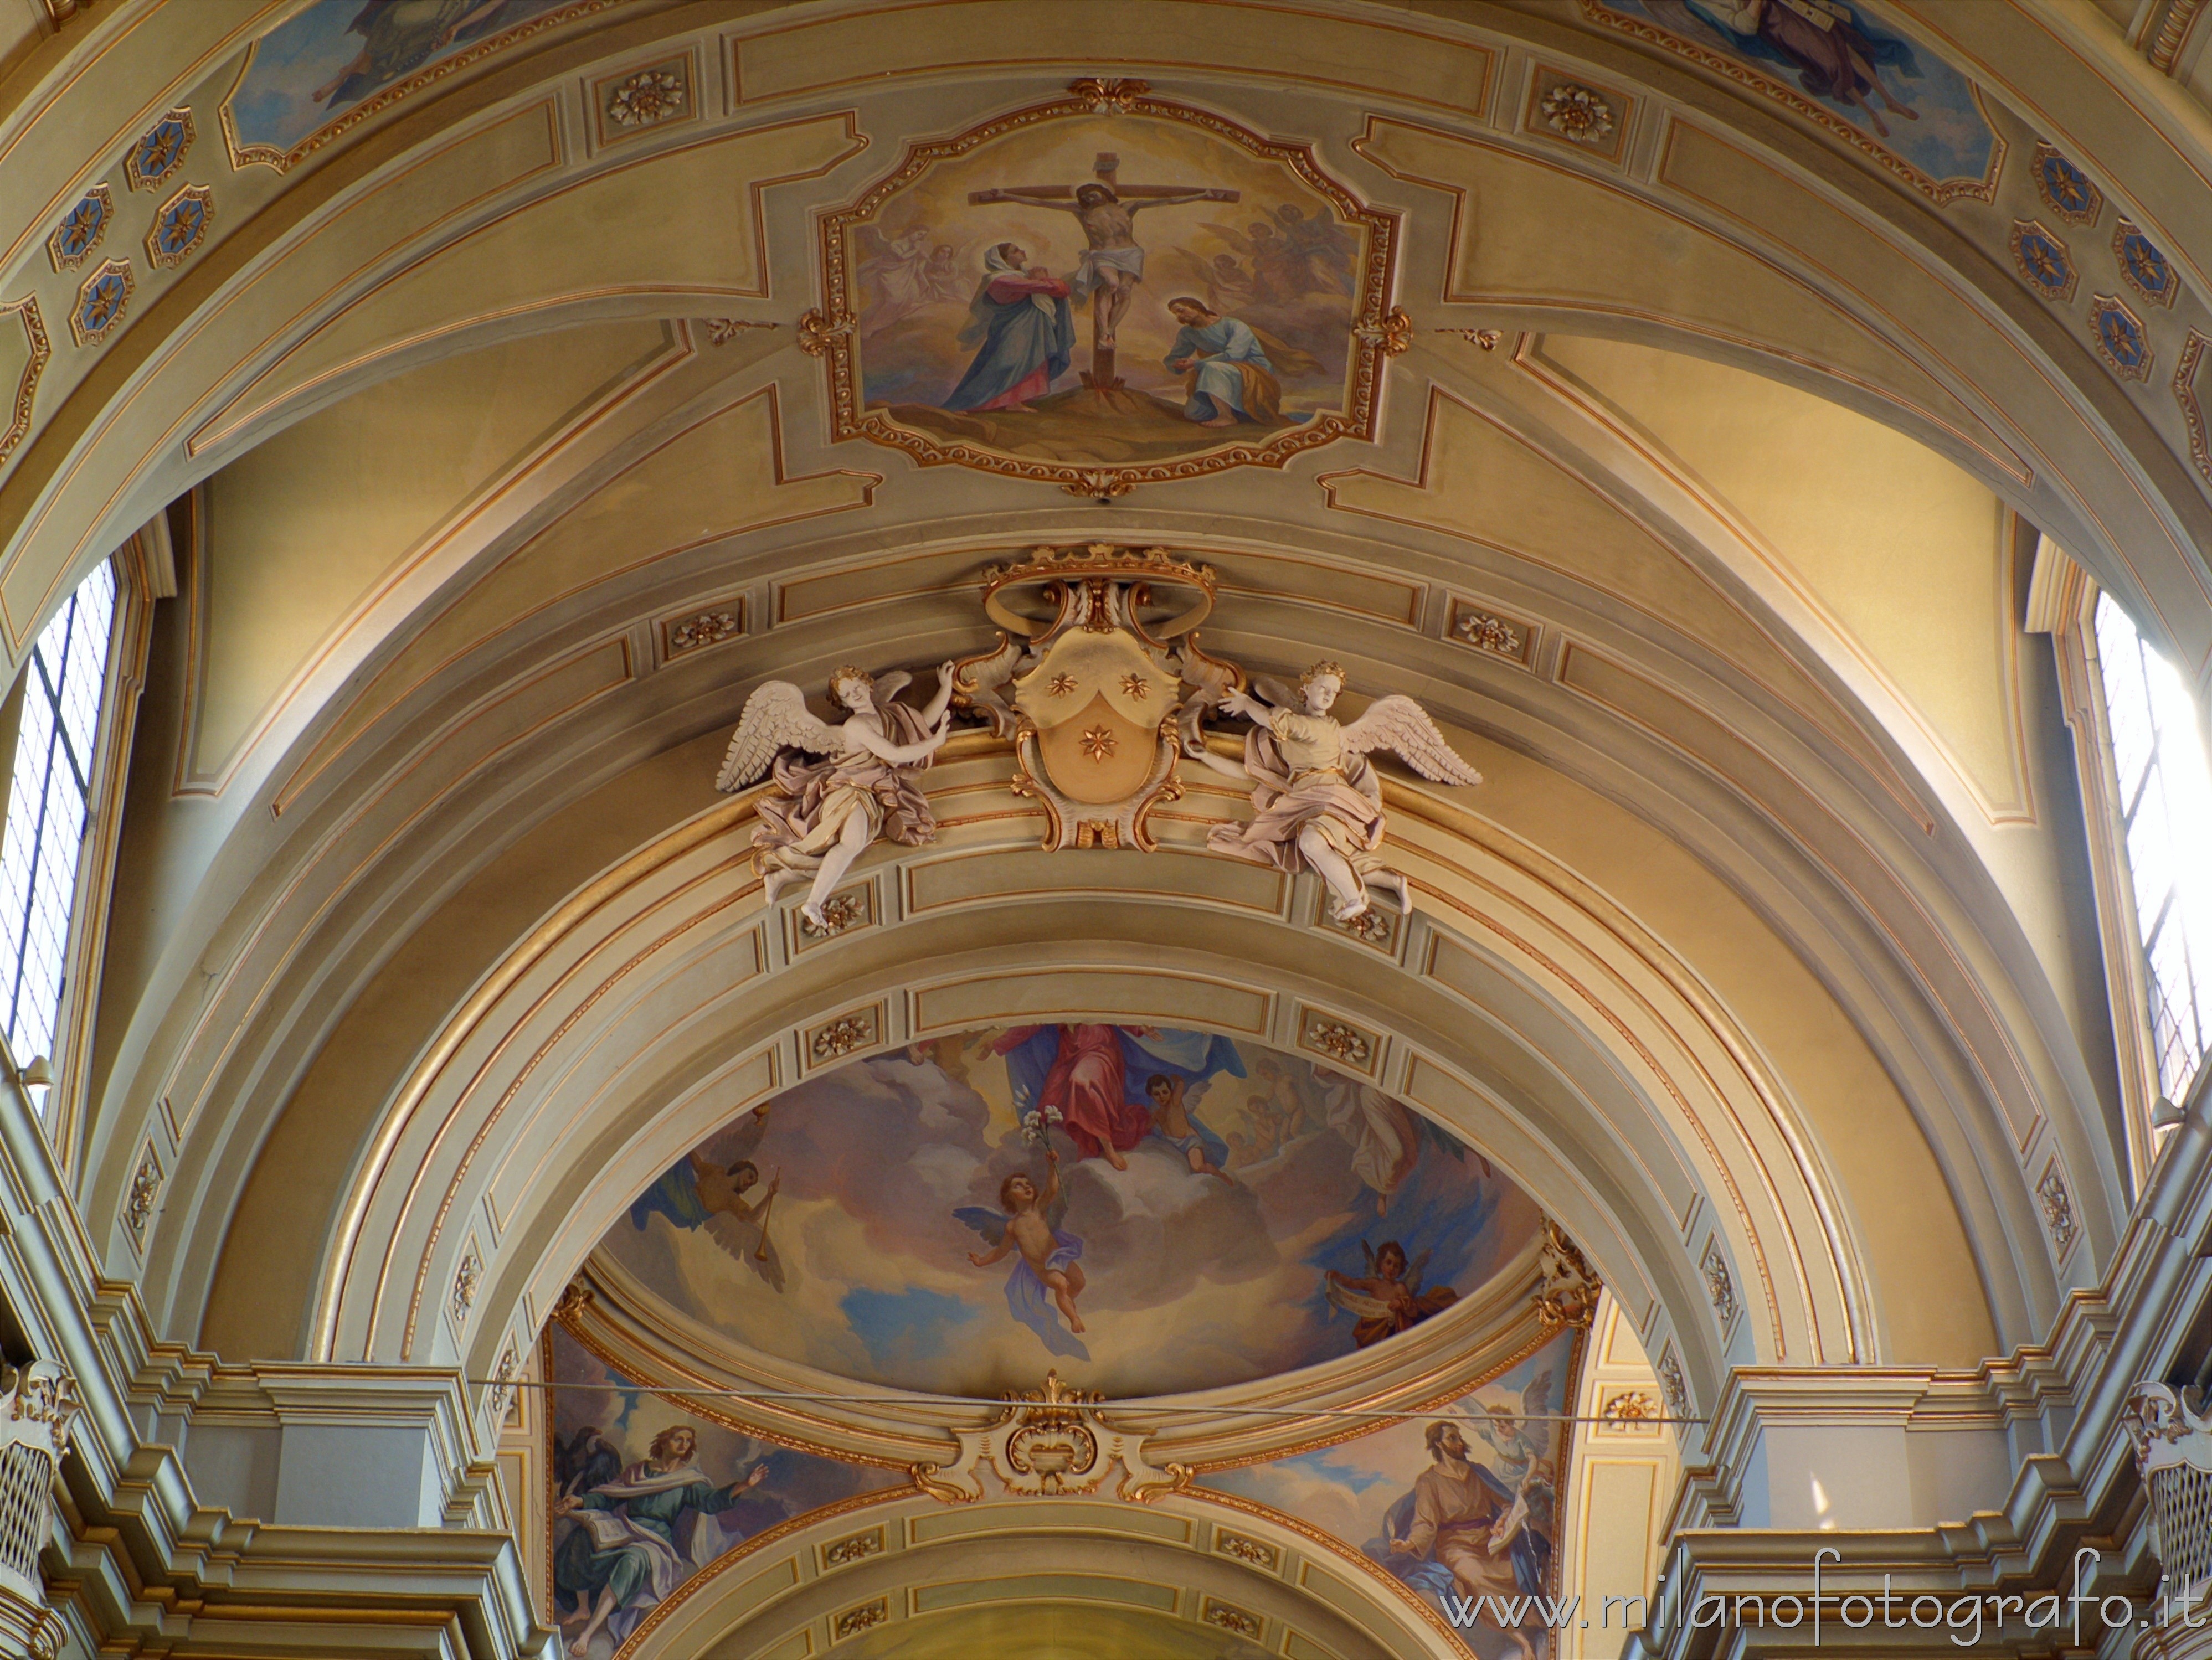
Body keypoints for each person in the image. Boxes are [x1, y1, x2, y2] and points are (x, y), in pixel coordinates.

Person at [552, 1426, 767, 1654]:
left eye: (688, 1441)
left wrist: (744, 1485)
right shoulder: (639, 1472)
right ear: (664, 1443)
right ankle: (583, 1607)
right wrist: (580, 1501)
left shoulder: (688, 1480)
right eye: (678, 1439)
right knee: (584, 1536)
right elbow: (608, 1497)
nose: (684, 1444)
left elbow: (711, 1501)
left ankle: (588, 1632)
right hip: (623, 1527)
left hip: (654, 1541)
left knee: (633, 1560)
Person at [1386, 1422, 1542, 1660]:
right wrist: (1409, 1544)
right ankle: (1521, 1640)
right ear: (1438, 1444)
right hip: (1455, 1545)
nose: (1459, 1443)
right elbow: (1426, 1523)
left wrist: (1502, 1520)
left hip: (1489, 1538)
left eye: (1459, 1438)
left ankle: (1537, 1622)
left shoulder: (1477, 1472)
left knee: (1513, 1567)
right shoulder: (1429, 1481)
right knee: (1477, 1575)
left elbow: (1505, 1503)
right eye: (1452, 1439)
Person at [957, 1153, 1088, 1353]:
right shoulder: (1012, 1227)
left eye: (1028, 1184)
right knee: (1061, 1285)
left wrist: (1053, 1166)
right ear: (1009, 1196)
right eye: (1018, 1185)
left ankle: (1069, 1300)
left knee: (1079, 1282)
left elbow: (1052, 1189)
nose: (1027, 1186)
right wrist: (981, 1262)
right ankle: (1074, 1319)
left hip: (1059, 1257)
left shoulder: (1039, 1210)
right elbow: (1001, 1252)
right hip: (1042, 1268)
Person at [990, 1025, 1153, 1169]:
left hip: (1098, 1046)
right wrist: (997, 1044)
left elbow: (1109, 1007)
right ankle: (1080, 1151)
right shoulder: (1053, 999)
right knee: (1049, 1107)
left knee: (1081, 1082)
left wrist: (1138, 1027)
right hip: (1069, 1054)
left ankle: (1108, 1147)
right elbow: (1031, 1024)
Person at [943, 243, 1074, 411]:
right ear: (1003, 259)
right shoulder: (1000, 280)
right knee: (1006, 364)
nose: (1023, 251)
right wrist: (1042, 280)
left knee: (1031, 363)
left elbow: (1062, 290)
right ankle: (967, 404)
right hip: (1012, 330)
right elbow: (1057, 288)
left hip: (1030, 330)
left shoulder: (1022, 276)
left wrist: (1040, 280)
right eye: (1016, 251)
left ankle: (1014, 402)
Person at [1162, 297, 1281, 427]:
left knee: (1212, 367)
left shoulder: (1234, 325)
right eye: (1176, 314)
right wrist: (1177, 364)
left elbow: (1234, 355)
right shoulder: (1188, 333)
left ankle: (1226, 416)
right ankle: (1238, 410)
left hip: (1252, 370)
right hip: (1216, 372)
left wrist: (1195, 364)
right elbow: (1174, 357)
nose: (1179, 317)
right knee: (1194, 414)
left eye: (1181, 311)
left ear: (1196, 307)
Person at [1325, 1240, 1458, 1348]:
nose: (1391, 1269)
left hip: (1392, 1333)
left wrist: (1401, 1304)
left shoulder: (1399, 1288)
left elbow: (1413, 1312)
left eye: (1396, 1266)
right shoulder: (1374, 1284)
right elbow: (1352, 1283)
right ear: (1381, 1264)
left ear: (1400, 1269)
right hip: (1373, 1333)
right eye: (1388, 1263)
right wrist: (1336, 1276)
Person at [1145, 1074, 1232, 1182]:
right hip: (1172, 1144)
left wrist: (1177, 1079)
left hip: (1189, 1141)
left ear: (1171, 1092)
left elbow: (1180, 1084)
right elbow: (1146, 1127)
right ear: (1152, 1095)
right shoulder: (1156, 1114)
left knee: (1198, 1167)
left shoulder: (1175, 1103)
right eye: (1157, 1094)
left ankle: (1222, 1177)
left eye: (1165, 1092)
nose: (1162, 1096)